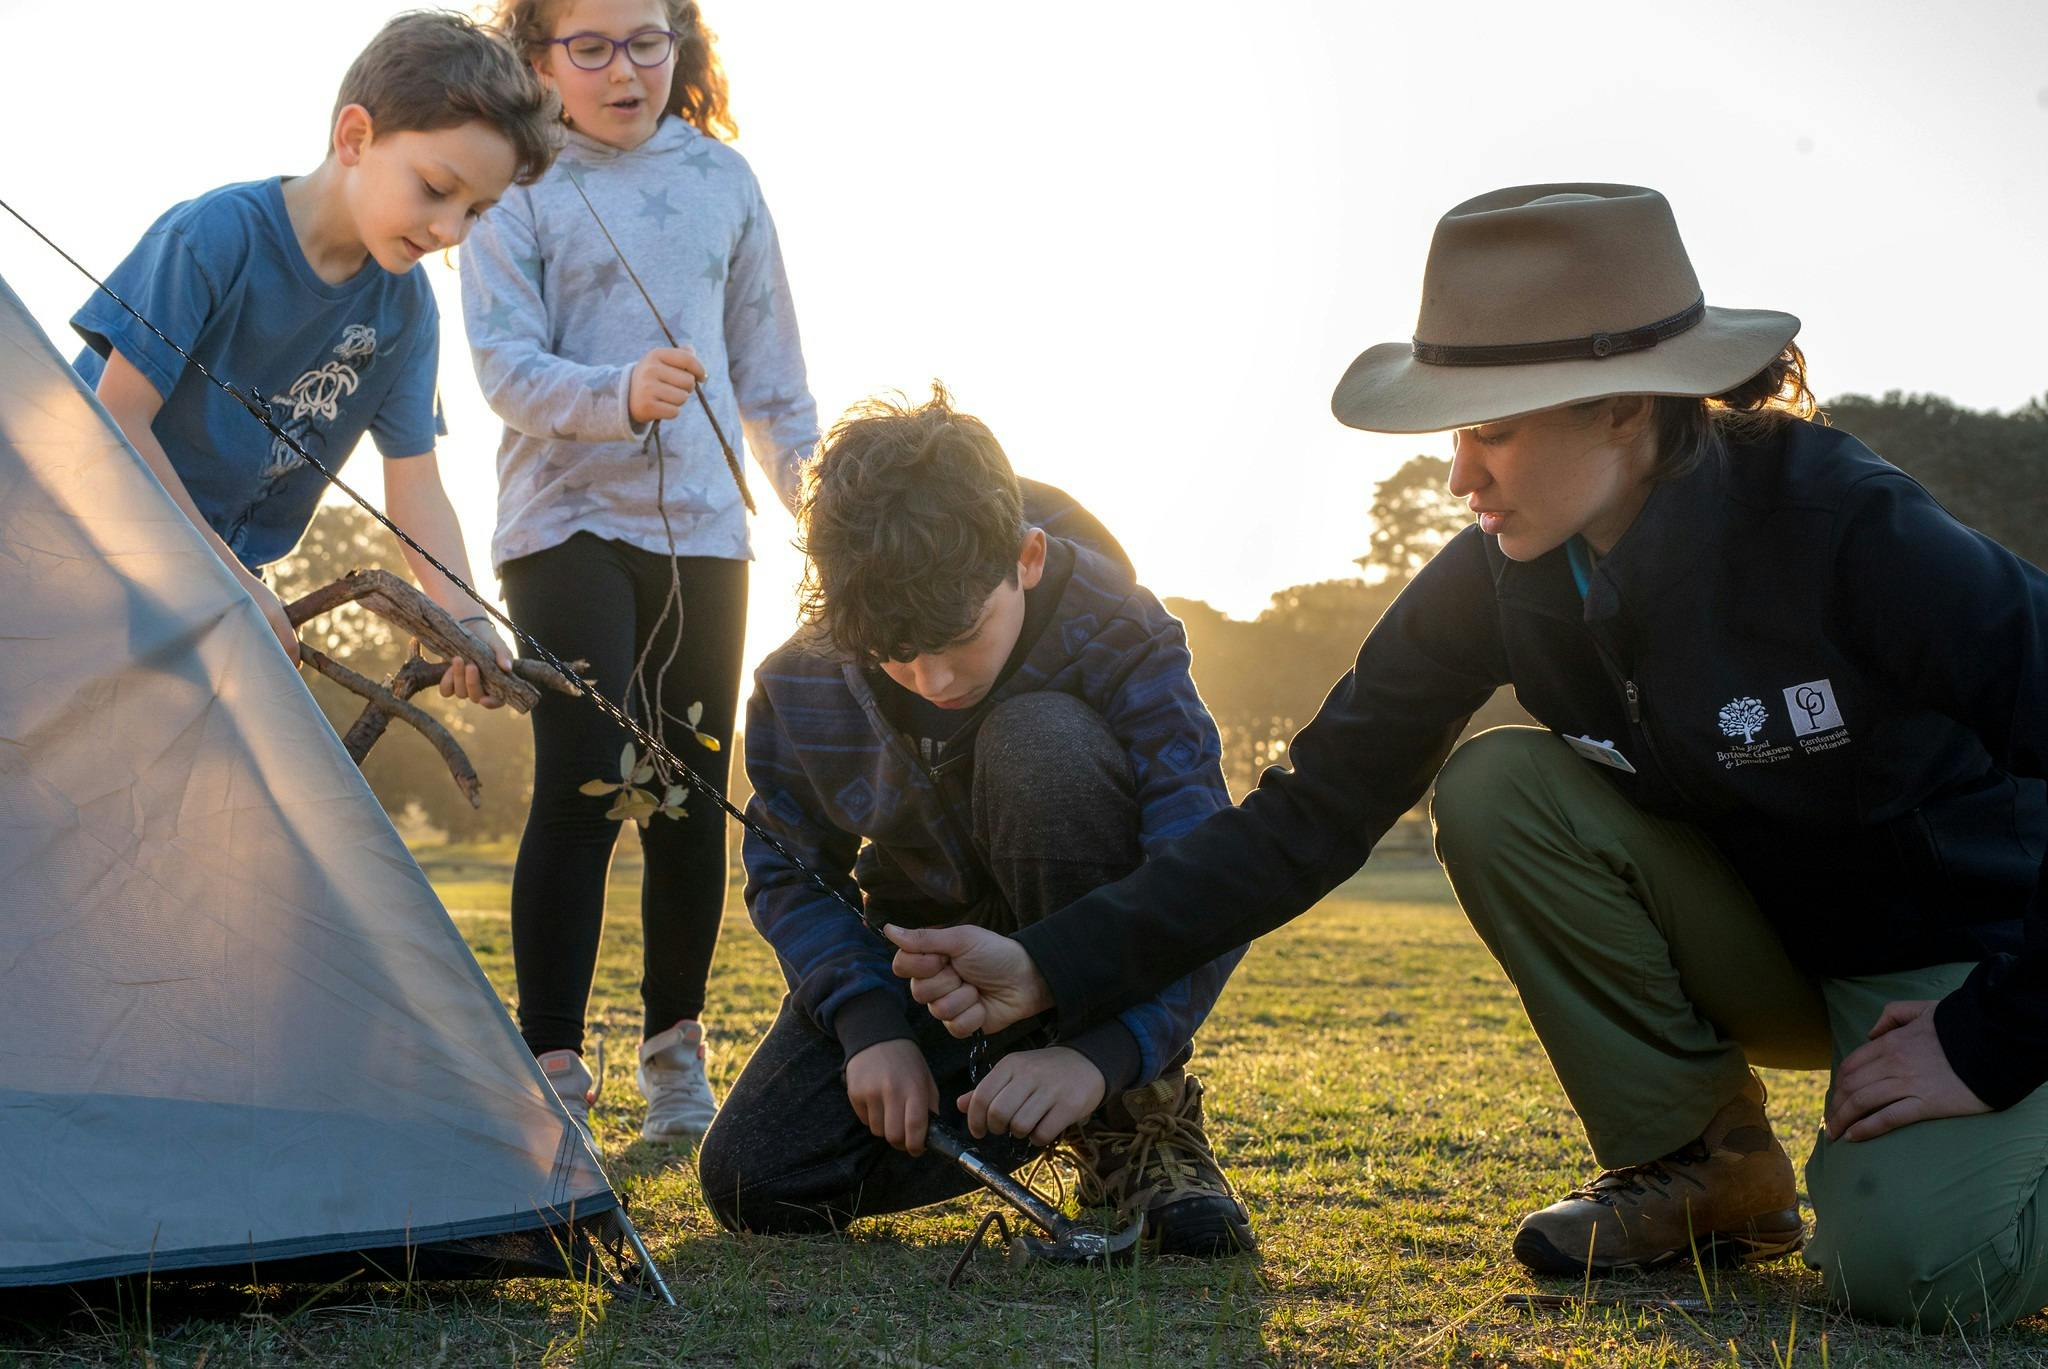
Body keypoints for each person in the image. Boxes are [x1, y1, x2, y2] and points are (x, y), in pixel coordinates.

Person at [891, 183, 2048, 1330]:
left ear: (1622, 407)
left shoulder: (1845, 528)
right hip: (1761, 942)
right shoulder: (1501, 573)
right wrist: (1049, 962)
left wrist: (1987, 1037)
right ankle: (1706, 1170)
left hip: (1959, 955)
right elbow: (1312, 810)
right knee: (1498, 786)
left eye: (1490, 429)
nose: (1458, 475)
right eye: (1454, 431)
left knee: (1920, 1269)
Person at [695, 388, 1254, 1256]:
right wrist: (870, 1026)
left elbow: (1205, 869)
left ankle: (1130, 1122)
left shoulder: (1124, 632)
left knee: (1041, 743)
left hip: (1096, 945)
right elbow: (787, 869)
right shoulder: (800, 678)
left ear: (1027, 558)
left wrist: (1106, 1052)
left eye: (962, 637)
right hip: (931, 972)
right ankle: (1026, 1103)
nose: (935, 680)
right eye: (895, 654)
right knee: (752, 1174)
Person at [464, 0, 819, 1145]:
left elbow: (773, 378)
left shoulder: (723, 180)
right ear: (536, 56)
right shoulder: (510, 180)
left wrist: (826, 512)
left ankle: (675, 1056)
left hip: (707, 531)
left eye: (647, 43)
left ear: (681, 42)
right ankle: (552, 1070)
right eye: (591, 48)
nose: (625, 70)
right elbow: (503, 367)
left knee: (690, 790)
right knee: (584, 772)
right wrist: (616, 393)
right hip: (561, 523)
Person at [73, 12, 555, 699]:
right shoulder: (217, 235)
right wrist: (227, 583)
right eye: (436, 189)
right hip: (78, 535)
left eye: (477, 211)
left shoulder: (409, 311)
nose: (451, 230)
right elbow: (115, 422)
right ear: (355, 137)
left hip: (216, 583)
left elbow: (416, 486)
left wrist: (467, 618)